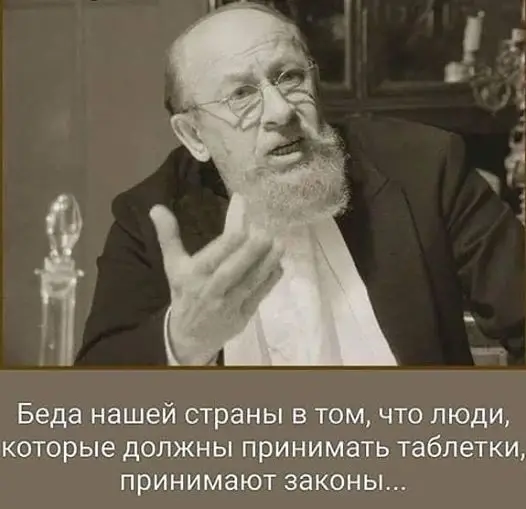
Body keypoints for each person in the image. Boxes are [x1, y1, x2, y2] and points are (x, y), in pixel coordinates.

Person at [75, 2, 524, 367]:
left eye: (289, 77)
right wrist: (184, 339)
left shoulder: (424, 167)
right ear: (194, 136)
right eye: (241, 94)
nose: (280, 111)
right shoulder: (151, 219)